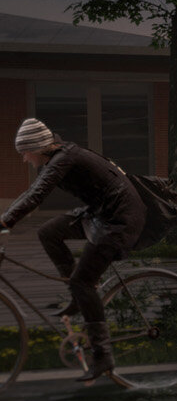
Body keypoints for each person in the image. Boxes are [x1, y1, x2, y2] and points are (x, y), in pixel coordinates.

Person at [0, 118, 144, 382]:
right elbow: (31, 191)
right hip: (102, 214)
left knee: (83, 283)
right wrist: (4, 218)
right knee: (48, 232)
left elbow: (36, 196)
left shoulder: (63, 159)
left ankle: (103, 356)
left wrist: (5, 221)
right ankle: (78, 297)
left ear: (37, 147)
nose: (23, 159)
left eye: (24, 152)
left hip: (119, 221)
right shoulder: (58, 156)